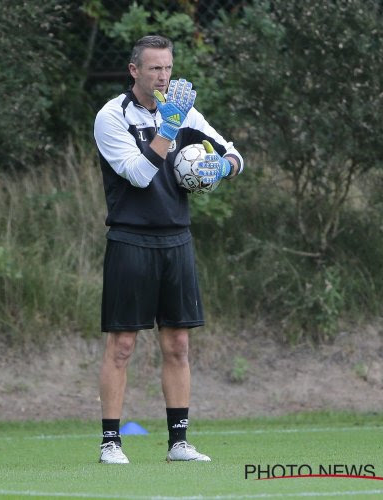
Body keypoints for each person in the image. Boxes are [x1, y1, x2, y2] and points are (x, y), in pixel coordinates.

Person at [93, 35, 244, 464]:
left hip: (177, 239)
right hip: (130, 240)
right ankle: (111, 443)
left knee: (178, 344)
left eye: (168, 69)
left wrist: (220, 167)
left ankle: (178, 442)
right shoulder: (112, 116)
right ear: (134, 70)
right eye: (155, 69)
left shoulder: (183, 109)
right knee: (122, 346)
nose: (164, 77)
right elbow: (140, 175)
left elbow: (235, 154)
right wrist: (170, 127)